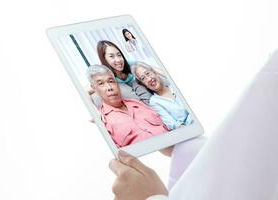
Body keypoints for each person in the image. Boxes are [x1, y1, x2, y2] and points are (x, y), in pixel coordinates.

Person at [109, 49, 278, 200]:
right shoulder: (155, 101)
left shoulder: (170, 87)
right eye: (143, 78)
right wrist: (180, 145)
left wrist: (150, 197)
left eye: (148, 73)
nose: (148, 78)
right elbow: (253, 154)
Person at [86, 64, 169, 148]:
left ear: (117, 83)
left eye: (111, 81)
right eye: (101, 84)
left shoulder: (137, 102)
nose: (109, 87)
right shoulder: (103, 121)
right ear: (94, 89)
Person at [131, 62, 193, 130]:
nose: (149, 79)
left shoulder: (174, 86)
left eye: (148, 73)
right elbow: (174, 125)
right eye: (143, 78)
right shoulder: (154, 102)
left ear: (155, 72)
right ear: (144, 85)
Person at [92, 40, 152, 107]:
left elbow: (151, 70)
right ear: (104, 59)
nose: (118, 60)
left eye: (119, 55)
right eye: (111, 56)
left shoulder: (130, 64)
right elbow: (88, 90)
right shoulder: (105, 74)